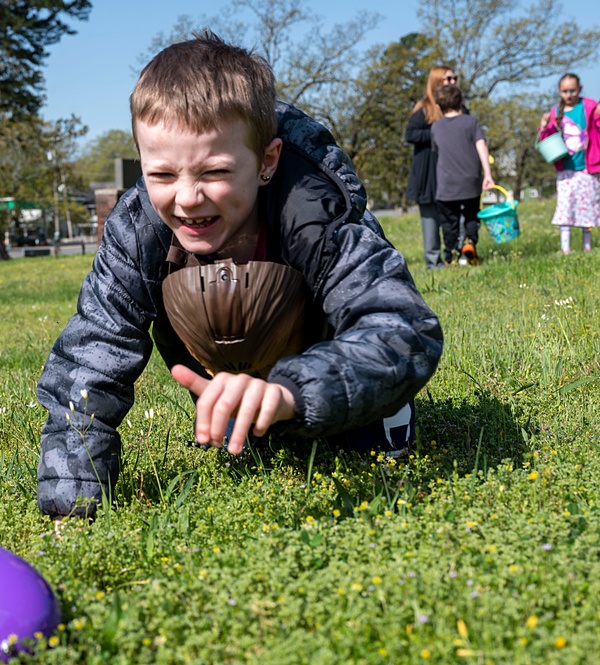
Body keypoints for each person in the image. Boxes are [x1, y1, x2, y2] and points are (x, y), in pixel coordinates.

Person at [36, 32, 443, 518]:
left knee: (369, 445)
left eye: (215, 172)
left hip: (321, 365)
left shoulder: (317, 211)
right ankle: (239, 408)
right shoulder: (138, 228)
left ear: (267, 162)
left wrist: (292, 391)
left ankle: (354, 412)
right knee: (250, 443)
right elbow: (90, 361)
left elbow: (401, 330)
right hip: (224, 374)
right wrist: (70, 508)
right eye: (162, 175)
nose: (187, 198)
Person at [430, 84, 494, 266]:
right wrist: (487, 174)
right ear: (460, 102)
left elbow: (436, 151)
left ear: (438, 106)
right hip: (470, 181)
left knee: (449, 222)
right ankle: (469, 242)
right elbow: (481, 146)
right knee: (472, 215)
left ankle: (451, 255)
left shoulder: (435, 127)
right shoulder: (471, 122)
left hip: (446, 184)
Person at [537, 73, 600, 254]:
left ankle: (587, 247)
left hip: (588, 168)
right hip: (566, 169)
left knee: (587, 209)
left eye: (572, 90)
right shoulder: (556, 111)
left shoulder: (588, 106)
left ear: (579, 90)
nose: (569, 94)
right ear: (559, 91)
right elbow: (546, 136)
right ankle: (566, 249)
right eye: (565, 91)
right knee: (566, 208)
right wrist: (543, 126)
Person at [405, 65, 458, 270]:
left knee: (455, 216)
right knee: (430, 220)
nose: (453, 82)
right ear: (436, 81)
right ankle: (433, 262)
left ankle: (456, 256)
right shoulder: (424, 108)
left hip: (452, 170)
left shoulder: (458, 107)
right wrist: (438, 134)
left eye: (454, 78)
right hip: (428, 172)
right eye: (448, 79)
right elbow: (410, 135)